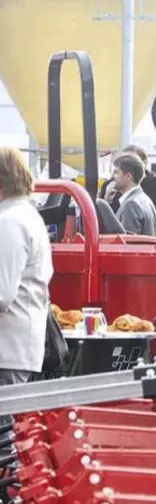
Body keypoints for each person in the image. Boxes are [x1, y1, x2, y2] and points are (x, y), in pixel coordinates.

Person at [0, 147, 54, 386]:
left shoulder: (10, 222)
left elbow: (2, 293)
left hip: (7, 351)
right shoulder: (24, 215)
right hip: (15, 348)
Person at [111, 153, 156, 236]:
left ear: (128, 176)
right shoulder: (145, 200)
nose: (113, 177)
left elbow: (127, 244)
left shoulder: (131, 205)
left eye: (116, 172)